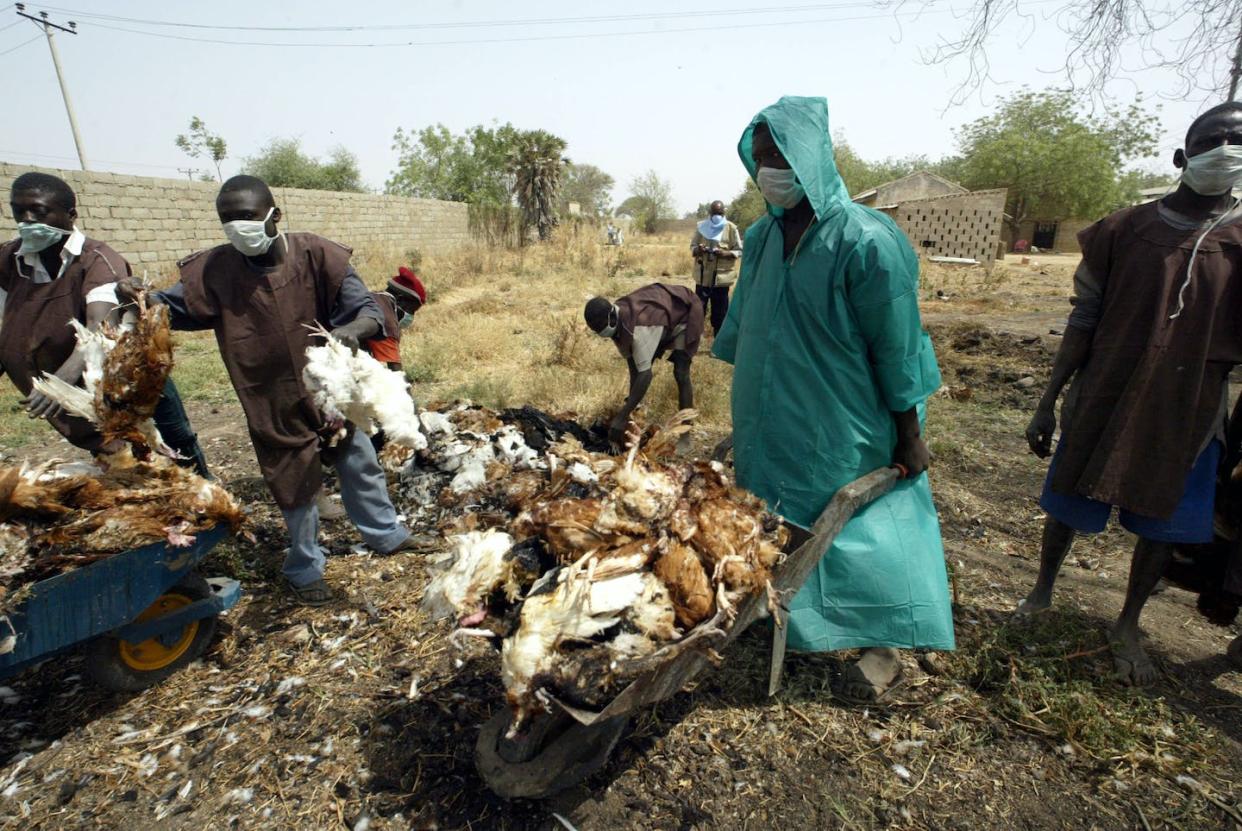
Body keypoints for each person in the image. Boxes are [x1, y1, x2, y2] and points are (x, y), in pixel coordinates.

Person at [712, 96, 954, 702]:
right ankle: (785, 617)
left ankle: (882, 641)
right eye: (762, 157)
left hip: (844, 416)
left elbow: (897, 344)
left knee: (856, 523)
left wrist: (909, 432)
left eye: (784, 155)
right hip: (773, 413)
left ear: (815, 156)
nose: (772, 168)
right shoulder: (765, 236)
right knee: (776, 513)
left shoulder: (867, 240)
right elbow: (744, 324)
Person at [1015, 101, 1242, 685]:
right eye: (1212, 139)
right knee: (1068, 499)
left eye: (1236, 142)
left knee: (1162, 519)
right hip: (1104, 394)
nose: (1224, 150)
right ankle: (1041, 593)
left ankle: (1128, 622)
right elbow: (1083, 317)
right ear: (1181, 156)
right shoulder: (1122, 230)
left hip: (1189, 410)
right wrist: (1047, 400)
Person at [119, 175, 417, 606]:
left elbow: (368, 309)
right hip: (268, 396)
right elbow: (168, 307)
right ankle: (304, 567)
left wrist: (351, 330)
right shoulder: (215, 271)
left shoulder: (317, 255)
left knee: (359, 461)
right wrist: (133, 295)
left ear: (275, 216)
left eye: (247, 216)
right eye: (227, 219)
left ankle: (386, 535)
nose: (237, 226)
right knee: (292, 484)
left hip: (329, 389)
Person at [0, 172, 210, 476]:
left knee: (173, 450)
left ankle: (209, 518)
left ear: (70, 215)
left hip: (126, 383)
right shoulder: (9, 260)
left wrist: (55, 387)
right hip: (80, 399)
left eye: (39, 211)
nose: (28, 220)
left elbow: (98, 331)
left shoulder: (96, 260)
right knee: (116, 460)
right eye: (19, 211)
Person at [583, 283, 704, 449]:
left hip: (685, 313)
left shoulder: (639, 328)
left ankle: (685, 435)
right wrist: (632, 410)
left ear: (611, 315)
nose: (602, 332)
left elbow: (645, 375)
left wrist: (622, 416)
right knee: (639, 367)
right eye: (597, 331)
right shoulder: (616, 324)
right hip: (661, 317)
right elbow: (634, 367)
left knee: (681, 373)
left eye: (602, 327)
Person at [689, 200, 742, 336]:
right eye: (714, 213)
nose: (717, 216)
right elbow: (692, 248)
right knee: (698, 309)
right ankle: (695, 339)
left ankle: (718, 341)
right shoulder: (701, 227)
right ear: (710, 213)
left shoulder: (731, 228)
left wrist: (726, 253)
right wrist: (699, 249)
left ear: (724, 213)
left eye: (720, 213)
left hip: (721, 279)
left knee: (720, 311)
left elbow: (740, 250)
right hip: (703, 277)